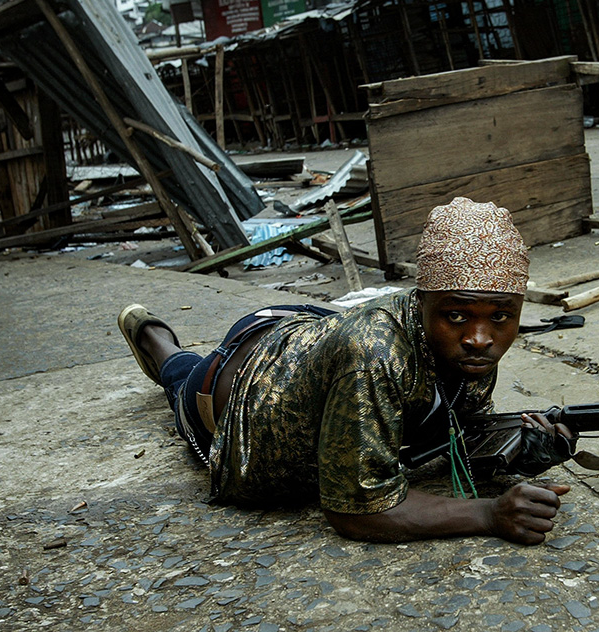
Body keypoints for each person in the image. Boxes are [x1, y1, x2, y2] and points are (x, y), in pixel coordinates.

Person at [117, 197, 574, 545]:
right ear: (421, 304)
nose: (479, 337)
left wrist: (523, 448)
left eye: (501, 316)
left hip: (303, 330)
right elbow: (357, 511)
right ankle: (155, 337)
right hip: (232, 389)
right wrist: (489, 514)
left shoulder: (467, 346)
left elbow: (454, 431)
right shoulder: (375, 355)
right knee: (180, 377)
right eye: (457, 315)